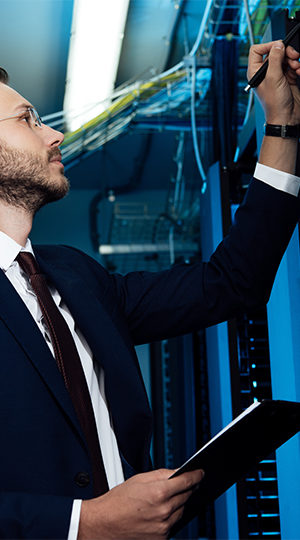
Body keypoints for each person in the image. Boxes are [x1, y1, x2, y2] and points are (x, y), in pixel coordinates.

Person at [0, 39, 299, 540]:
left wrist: (283, 123)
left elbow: (231, 283)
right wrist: (85, 523)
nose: (54, 134)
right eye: (27, 120)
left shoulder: (74, 277)